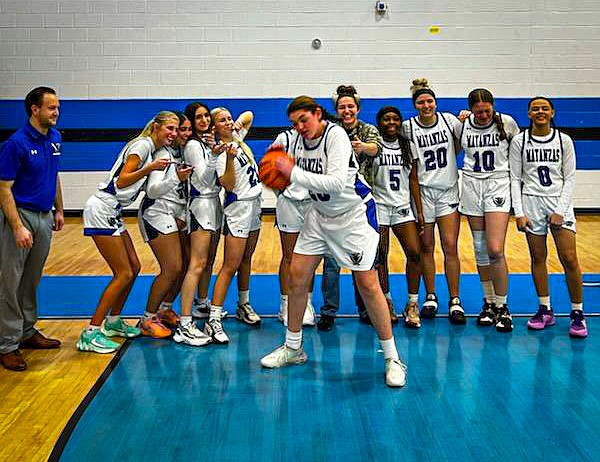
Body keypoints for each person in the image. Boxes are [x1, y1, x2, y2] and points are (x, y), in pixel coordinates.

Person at [260, 96, 407, 388]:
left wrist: (292, 173)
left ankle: (392, 357)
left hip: (353, 216)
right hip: (319, 215)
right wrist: (278, 177)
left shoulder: (335, 134)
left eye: (304, 120)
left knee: (368, 284)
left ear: (318, 114)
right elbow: (295, 179)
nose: (299, 127)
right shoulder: (297, 142)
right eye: (294, 123)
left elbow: (337, 182)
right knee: (297, 276)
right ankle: (293, 348)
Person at [78, 111, 179, 353]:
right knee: (122, 273)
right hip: (101, 207)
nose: (173, 134)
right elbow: (122, 181)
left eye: (176, 130)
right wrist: (151, 168)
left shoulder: (153, 150)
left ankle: (113, 322)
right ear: (156, 126)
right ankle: (90, 333)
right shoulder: (143, 146)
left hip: (114, 210)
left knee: (134, 267)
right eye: (170, 129)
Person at [509, 96, 587, 337]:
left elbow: (570, 177)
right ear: (529, 114)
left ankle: (577, 312)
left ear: (552, 112)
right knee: (538, 257)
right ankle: (545, 309)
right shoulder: (519, 141)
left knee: (570, 258)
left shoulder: (564, 141)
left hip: (557, 202)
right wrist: (519, 213)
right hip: (531, 201)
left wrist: (560, 210)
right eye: (535, 109)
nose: (540, 112)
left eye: (544, 108)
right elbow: (514, 178)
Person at [0, 86, 64, 371]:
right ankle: (7, 344)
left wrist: (60, 208)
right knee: (10, 281)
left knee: (31, 279)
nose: (56, 113)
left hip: (44, 216)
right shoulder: (15, 144)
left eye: (57, 107)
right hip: (21, 216)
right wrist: (16, 226)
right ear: (34, 109)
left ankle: (26, 332)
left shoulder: (55, 137)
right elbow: (3, 189)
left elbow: (54, 174)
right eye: (51, 108)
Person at [318, 84, 386, 332]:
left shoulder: (367, 130)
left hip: (360, 208)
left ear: (357, 108)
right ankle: (328, 311)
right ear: (336, 109)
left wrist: (362, 148)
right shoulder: (330, 132)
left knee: (363, 261)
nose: (346, 110)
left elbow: (376, 148)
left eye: (350, 106)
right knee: (331, 263)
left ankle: (365, 309)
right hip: (332, 207)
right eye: (342, 107)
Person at [401, 78, 465, 326]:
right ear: (415, 104)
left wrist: (467, 116)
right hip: (423, 193)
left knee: (450, 245)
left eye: (430, 101)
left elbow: (463, 142)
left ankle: (455, 299)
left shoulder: (449, 121)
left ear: (435, 103)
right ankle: (430, 295)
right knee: (426, 246)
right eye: (421, 102)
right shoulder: (408, 127)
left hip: (448, 191)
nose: (426, 105)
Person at [459, 89, 520, 332]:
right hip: (472, 184)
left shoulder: (507, 123)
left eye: (487, 110)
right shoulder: (462, 125)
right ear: (470, 109)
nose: (483, 115)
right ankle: (489, 303)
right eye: (478, 111)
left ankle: (504, 306)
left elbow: (519, 153)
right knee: (479, 249)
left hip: (497, 183)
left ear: (493, 106)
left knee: (495, 249)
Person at [138, 111, 198, 341]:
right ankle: (147, 318)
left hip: (174, 213)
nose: (181, 134)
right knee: (172, 267)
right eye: (176, 129)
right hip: (156, 211)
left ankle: (164, 308)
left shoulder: (181, 151)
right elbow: (153, 190)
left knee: (183, 267)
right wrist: (176, 178)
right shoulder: (163, 153)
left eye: (184, 129)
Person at [205, 107, 262, 344]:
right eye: (223, 120)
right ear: (214, 127)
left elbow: (250, 114)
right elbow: (227, 184)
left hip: (255, 203)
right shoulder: (219, 154)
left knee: (246, 259)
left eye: (229, 118)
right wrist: (228, 157)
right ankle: (213, 318)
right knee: (230, 265)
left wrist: (236, 124)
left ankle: (243, 304)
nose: (228, 122)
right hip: (238, 208)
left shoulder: (237, 137)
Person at [176, 102, 229, 346]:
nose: (205, 120)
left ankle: (202, 303)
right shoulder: (194, 145)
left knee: (207, 262)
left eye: (207, 116)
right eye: (199, 117)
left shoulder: (207, 142)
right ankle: (184, 324)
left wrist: (215, 151)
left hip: (213, 204)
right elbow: (204, 177)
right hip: (200, 205)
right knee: (196, 265)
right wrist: (216, 155)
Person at [372, 106, 424, 328]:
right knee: (381, 256)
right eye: (386, 119)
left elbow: (413, 179)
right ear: (379, 122)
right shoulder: (374, 147)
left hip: (402, 206)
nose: (391, 122)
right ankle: (386, 301)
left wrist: (419, 210)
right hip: (379, 206)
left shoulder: (408, 146)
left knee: (415, 253)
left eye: (395, 118)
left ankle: (412, 303)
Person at [272, 129, 317, 327]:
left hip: (312, 202)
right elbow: (268, 167)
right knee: (289, 255)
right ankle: (286, 304)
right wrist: (281, 192)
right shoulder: (284, 138)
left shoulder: (321, 138)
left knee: (310, 255)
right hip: (289, 202)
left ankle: (307, 303)